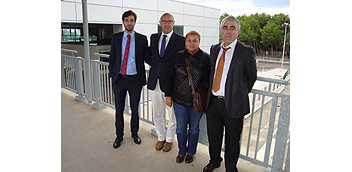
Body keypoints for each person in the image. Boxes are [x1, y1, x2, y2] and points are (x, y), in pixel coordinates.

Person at [202, 16, 257, 172]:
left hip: (233, 104)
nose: (228, 31)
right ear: (221, 31)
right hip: (213, 103)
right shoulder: (214, 49)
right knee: (214, 136)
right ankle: (214, 160)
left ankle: (231, 167)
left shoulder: (246, 51)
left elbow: (251, 77)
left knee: (232, 140)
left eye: (232, 28)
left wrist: (237, 95)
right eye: (225, 27)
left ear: (238, 32)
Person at [164, 30, 210, 163]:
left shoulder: (206, 58)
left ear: (199, 42)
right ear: (185, 42)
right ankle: (181, 151)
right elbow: (168, 77)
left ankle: (191, 152)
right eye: (189, 40)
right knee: (180, 128)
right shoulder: (176, 56)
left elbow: (209, 80)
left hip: (197, 102)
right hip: (179, 100)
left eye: (194, 40)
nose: (192, 43)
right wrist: (168, 95)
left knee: (194, 128)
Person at [109, 10, 151, 149]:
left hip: (135, 80)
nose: (129, 23)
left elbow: (147, 57)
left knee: (134, 108)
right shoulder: (116, 38)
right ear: (123, 22)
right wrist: (111, 74)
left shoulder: (142, 39)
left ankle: (134, 133)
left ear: (135, 22)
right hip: (119, 79)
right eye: (126, 20)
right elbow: (112, 58)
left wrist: (161, 64)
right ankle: (119, 135)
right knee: (119, 109)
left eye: (131, 20)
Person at [147, 13, 185, 152]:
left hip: (171, 84)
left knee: (172, 114)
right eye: (164, 21)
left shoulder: (181, 40)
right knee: (157, 112)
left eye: (169, 21)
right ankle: (160, 137)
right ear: (160, 22)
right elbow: (152, 57)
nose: (167, 24)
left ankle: (169, 139)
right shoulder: (154, 37)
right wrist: (157, 67)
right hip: (154, 82)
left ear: (173, 23)